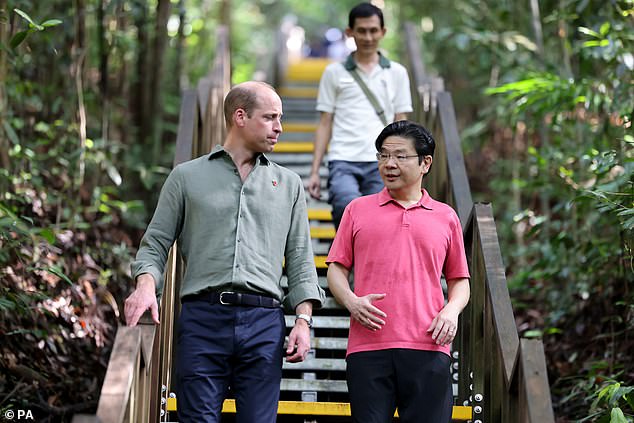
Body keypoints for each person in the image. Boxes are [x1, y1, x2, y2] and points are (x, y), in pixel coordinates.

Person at [123, 81, 325, 423]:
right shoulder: (186, 177)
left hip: (265, 323)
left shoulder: (289, 184)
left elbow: (302, 260)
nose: (279, 127)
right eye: (271, 117)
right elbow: (155, 243)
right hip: (203, 319)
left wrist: (303, 321)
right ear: (240, 117)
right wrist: (145, 286)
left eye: (281, 118)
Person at [326, 120, 471, 423]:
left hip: (429, 343)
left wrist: (451, 311)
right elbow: (336, 270)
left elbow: (460, 281)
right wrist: (352, 302)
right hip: (368, 346)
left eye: (400, 156)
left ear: (425, 163)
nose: (389, 164)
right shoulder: (357, 209)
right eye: (383, 156)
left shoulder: (446, 216)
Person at [308, 2, 413, 229]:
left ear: (383, 32)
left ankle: (363, 264)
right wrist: (315, 171)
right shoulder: (333, 73)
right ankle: (346, 261)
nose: (368, 37)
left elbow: (401, 122)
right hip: (342, 158)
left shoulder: (397, 72)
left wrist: (405, 164)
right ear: (350, 32)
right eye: (362, 30)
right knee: (344, 205)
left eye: (373, 30)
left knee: (379, 219)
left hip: (382, 159)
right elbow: (325, 123)